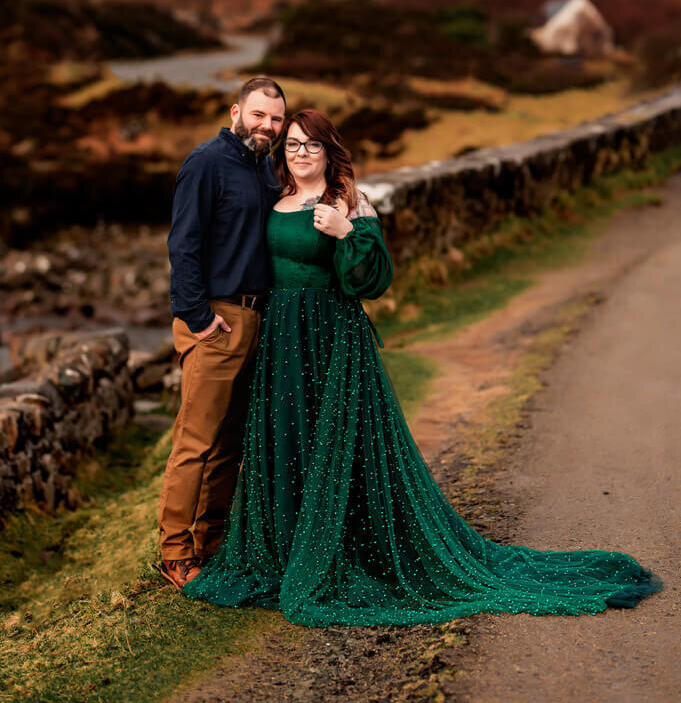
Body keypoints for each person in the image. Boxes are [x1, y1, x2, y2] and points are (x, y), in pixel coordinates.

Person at [183, 108, 662, 625]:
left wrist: (347, 233)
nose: (300, 153)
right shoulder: (272, 200)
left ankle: (341, 552)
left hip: (332, 341)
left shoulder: (348, 202)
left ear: (329, 152)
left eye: (311, 146)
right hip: (281, 341)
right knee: (287, 442)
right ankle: (283, 550)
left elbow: (372, 281)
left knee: (339, 448)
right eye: (293, 144)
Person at [158, 76, 286, 591]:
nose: (268, 127)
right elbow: (182, 245)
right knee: (195, 440)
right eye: (258, 115)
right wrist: (198, 318)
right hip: (215, 320)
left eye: (276, 119)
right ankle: (174, 552)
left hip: (256, 320)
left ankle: (211, 541)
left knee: (230, 440)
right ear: (236, 111)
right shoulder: (206, 163)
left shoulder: (267, 170)